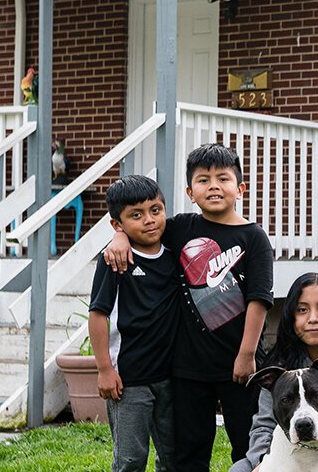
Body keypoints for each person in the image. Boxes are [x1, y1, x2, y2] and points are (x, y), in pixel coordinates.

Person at [105, 143, 276, 470]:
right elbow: (141, 225)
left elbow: (259, 298)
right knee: (189, 453)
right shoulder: (181, 228)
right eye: (203, 180)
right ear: (190, 192)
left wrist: (247, 354)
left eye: (223, 178)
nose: (213, 186)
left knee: (249, 446)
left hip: (239, 365)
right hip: (187, 368)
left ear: (240, 189)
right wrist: (119, 239)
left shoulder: (254, 238)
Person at [89, 175, 182, 472]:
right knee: (130, 460)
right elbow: (98, 315)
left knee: (173, 457)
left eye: (156, 210)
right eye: (136, 215)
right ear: (118, 225)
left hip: (171, 376)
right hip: (129, 381)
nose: (150, 220)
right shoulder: (116, 260)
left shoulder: (174, 255)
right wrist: (104, 369)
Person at [230, 272, 318, 472]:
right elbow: (263, 426)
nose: (313, 318)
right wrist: (264, 461)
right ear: (290, 316)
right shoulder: (280, 370)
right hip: (287, 457)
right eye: (302, 310)